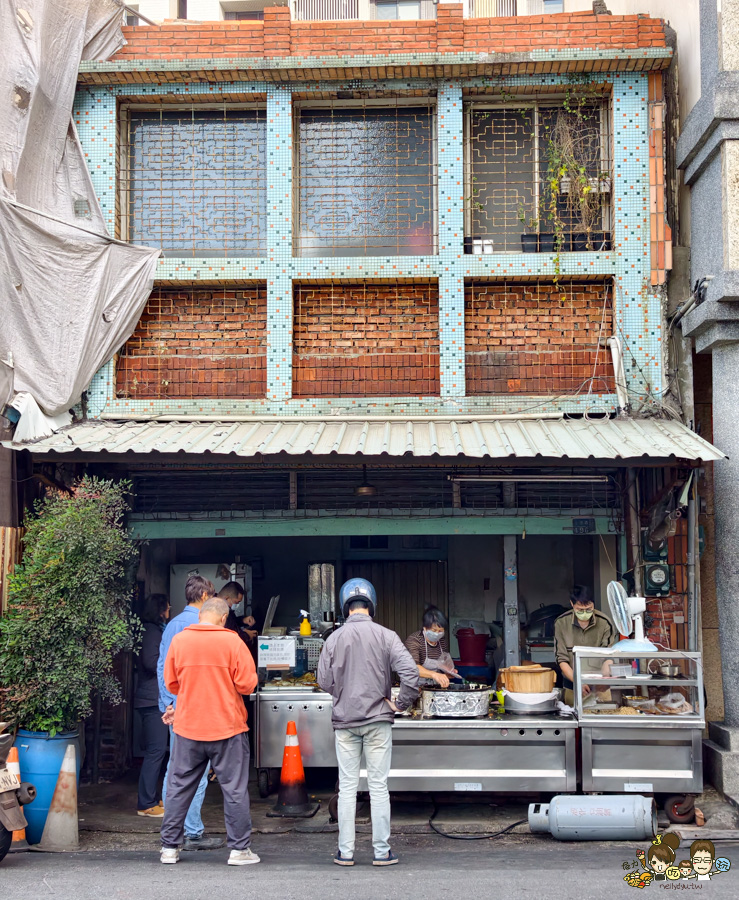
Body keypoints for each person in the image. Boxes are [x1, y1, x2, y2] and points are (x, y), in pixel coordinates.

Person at [317, 578, 419, 868]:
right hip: (378, 721)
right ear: (371, 605)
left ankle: (345, 853)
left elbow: (323, 680)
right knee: (378, 786)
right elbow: (410, 674)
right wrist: (400, 704)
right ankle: (381, 851)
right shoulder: (387, 635)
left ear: (345, 606)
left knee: (348, 787)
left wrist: (343, 693)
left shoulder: (333, 638)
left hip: (345, 722)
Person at [160, 598, 259, 866]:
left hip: (188, 727)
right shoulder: (233, 642)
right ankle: (239, 851)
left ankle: (169, 848)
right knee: (235, 789)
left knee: (179, 787)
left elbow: (171, 683)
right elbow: (247, 685)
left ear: (201, 615)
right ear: (224, 618)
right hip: (228, 727)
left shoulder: (179, 641)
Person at [157, 574, 223, 852]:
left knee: (176, 768)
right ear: (206, 597)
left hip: (177, 705)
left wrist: (167, 704)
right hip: (195, 707)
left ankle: (173, 829)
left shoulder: (172, 624)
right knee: (196, 769)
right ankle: (192, 831)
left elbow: (163, 667)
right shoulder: (198, 624)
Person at [134, 594, 171, 818]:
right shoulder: (151, 631)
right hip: (151, 699)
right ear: (160, 610)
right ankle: (145, 803)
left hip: (152, 697)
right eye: (167, 607)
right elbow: (150, 662)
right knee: (155, 751)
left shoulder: (152, 630)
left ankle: (150, 798)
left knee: (156, 751)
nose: (169, 610)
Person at [553, 585, 616, 705]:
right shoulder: (561, 623)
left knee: (602, 717)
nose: (584, 613)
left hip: (599, 687)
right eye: (580, 610)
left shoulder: (604, 623)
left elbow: (608, 656)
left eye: (588, 609)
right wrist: (578, 683)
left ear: (593, 604)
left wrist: (604, 678)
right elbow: (561, 659)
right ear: (572, 604)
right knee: (574, 719)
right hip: (572, 686)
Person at [404, 607, 457, 689]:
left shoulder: (442, 641)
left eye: (440, 631)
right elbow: (413, 668)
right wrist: (434, 675)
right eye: (434, 630)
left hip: (434, 687)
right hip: (414, 687)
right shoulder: (415, 640)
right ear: (425, 628)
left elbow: (442, 663)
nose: (437, 633)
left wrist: (448, 672)